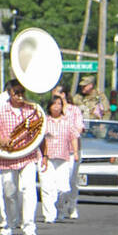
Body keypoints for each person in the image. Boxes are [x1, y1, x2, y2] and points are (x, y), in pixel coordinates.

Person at [0, 79, 41, 235]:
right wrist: (1, 140)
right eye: (16, 93)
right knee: (9, 192)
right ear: (9, 94)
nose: (20, 96)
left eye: (22, 92)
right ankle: (11, 222)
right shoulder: (0, 111)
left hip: (28, 155)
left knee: (29, 190)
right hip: (8, 156)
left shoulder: (31, 110)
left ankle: (29, 227)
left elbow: (39, 131)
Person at [39, 95, 80, 224]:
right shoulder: (44, 121)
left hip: (63, 158)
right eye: (54, 104)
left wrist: (76, 151)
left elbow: (74, 136)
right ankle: (49, 215)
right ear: (49, 107)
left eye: (59, 104)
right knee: (47, 187)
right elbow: (40, 139)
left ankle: (60, 207)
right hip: (47, 158)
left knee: (64, 188)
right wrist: (43, 156)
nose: (57, 106)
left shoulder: (67, 121)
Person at [52, 84, 84, 219]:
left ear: (63, 95)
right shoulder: (52, 110)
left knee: (71, 181)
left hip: (71, 151)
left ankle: (72, 205)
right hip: (57, 152)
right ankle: (58, 209)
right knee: (58, 182)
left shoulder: (74, 110)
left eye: (56, 94)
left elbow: (79, 128)